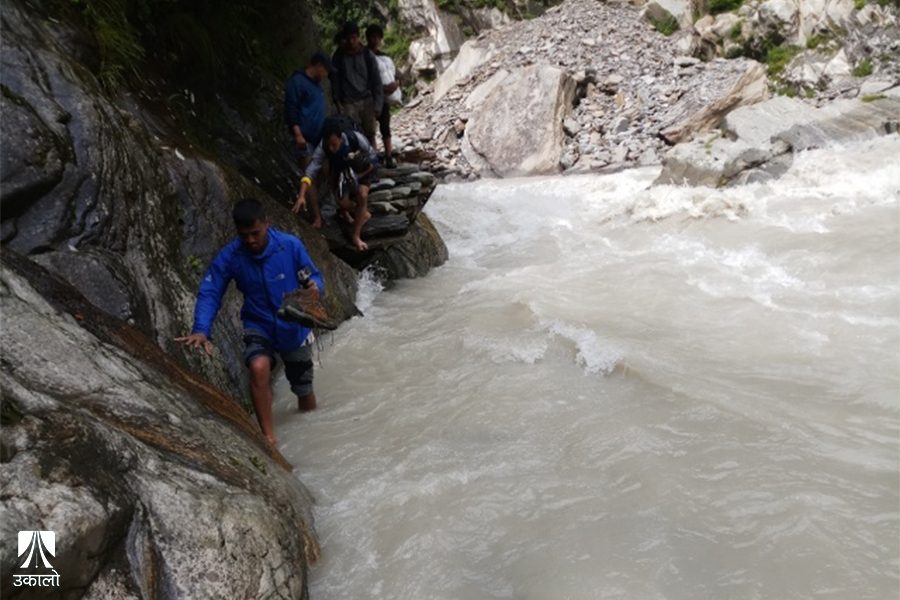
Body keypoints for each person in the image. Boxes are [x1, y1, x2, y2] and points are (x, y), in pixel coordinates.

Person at [176, 199, 325, 445]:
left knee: (303, 387)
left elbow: (315, 276)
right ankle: (269, 439)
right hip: (259, 323)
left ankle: (312, 430)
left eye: (255, 233)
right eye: (244, 235)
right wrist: (201, 329)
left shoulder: (289, 246)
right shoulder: (231, 256)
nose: (250, 240)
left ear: (266, 223)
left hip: (294, 325)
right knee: (258, 367)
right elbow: (211, 291)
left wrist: (315, 288)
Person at [295, 120, 378, 251]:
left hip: (361, 169)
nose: (332, 149)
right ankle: (361, 213)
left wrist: (359, 176)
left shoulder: (355, 138)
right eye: (329, 146)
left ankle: (356, 236)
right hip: (341, 170)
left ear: (341, 138)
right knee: (342, 202)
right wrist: (301, 195)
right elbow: (310, 172)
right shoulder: (323, 147)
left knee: (363, 194)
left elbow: (374, 159)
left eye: (334, 145)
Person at [285, 52, 332, 229]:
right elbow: (291, 110)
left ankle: (330, 209)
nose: (326, 75)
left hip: (319, 137)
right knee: (309, 174)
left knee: (325, 171)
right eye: (326, 70)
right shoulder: (297, 82)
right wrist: (298, 134)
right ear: (318, 65)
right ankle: (316, 216)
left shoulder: (316, 85)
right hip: (304, 138)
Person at [331, 21, 383, 149]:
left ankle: (373, 161)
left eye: (353, 38)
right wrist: (337, 101)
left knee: (370, 133)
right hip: (349, 101)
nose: (351, 41)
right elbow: (335, 79)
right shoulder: (339, 56)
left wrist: (378, 104)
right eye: (348, 38)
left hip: (367, 99)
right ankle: (358, 163)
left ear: (358, 37)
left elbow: (376, 80)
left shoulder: (367, 54)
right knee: (352, 134)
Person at [366, 24, 400, 168]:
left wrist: (396, 84)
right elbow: (364, 78)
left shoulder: (385, 57)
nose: (374, 40)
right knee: (370, 129)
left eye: (377, 37)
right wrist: (382, 88)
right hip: (369, 99)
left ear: (380, 39)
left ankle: (388, 155)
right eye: (371, 37)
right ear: (367, 38)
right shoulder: (364, 56)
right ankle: (373, 159)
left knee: (385, 127)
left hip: (384, 99)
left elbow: (395, 75)